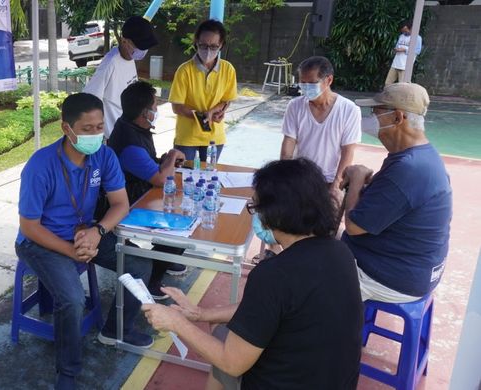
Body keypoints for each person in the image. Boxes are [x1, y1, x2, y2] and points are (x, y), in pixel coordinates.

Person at [142, 158, 363, 390]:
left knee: (223, 342)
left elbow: (231, 362)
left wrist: (176, 323)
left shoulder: (273, 274)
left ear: (275, 214)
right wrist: (203, 314)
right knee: (222, 328)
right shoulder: (340, 252)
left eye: (255, 207)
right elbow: (267, 309)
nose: (255, 215)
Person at [15, 93, 153, 389]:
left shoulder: (104, 155)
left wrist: (97, 233)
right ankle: (67, 372)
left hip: (85, 233)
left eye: (100, 127)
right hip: (40, 241)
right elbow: (28, 226)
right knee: (73, 299)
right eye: (87, 128)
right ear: (67, 128)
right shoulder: (41, 165)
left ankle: (116, 330)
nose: (95, 135)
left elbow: (120, 204)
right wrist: (71, 250)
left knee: (140, 262)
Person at [344, 83, 452, 303]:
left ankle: (319, 332)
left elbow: (354, 227)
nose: (371, 117)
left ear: (397, 118)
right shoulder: (419, 157)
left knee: (307, 264)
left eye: (376, 112)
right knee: (322, 246)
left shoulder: (409, 169)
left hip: (394, 277)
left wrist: (356, 178)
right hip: (410, 267)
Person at [104, 80, 187, 298]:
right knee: (177, 223)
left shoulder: (134, 126)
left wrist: (166, 160)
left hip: (141, 191)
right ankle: (153, 277)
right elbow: (160, 178)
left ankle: (167, 259)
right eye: (155, 107)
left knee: (184, 209)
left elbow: (151, 164)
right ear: (144, 113)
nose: (157, 111)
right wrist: (171, 156)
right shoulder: (129, 141)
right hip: (128, 201)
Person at [281, 56, 361, 193]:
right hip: (300, 177)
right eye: (302, 83)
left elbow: (348, 151)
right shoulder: (295, 106)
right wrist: (284, 175)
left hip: (330, 180)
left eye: (312, 83)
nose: (306, 88)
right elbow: (288, 143)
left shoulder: (349, 110)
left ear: (328, 80)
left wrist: (336, 185)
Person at [169, 19, 237, 162]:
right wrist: (203, 116)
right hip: (187, 137)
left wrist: (215, 111)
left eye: (213, 46)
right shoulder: (184, 70)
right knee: (182, 176)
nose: (208, 51)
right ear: (196, 43)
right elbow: (177, 107)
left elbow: (227, 99)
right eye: (203, 45)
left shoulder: (228, 69)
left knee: (209, 179)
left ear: (221, 45)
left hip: (215, 138)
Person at [84, 16, 158, 139]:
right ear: (124, 41)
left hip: (131, 131)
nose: (143, 51)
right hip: (115, 137)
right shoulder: (109, 64)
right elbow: (89, 99)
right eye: (140, 47)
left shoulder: (130, 58)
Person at [385, 20, 423, 86]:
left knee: (402, 86)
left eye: (406, 30)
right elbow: (397, 46)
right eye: (403, 30)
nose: (404, 32)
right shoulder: (401, 36)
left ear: (411, 29)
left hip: (405, 66)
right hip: (395, 63)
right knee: (388, 83)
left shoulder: (417, 38)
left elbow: (417, 51)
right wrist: (396, 49)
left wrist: (404, 50)